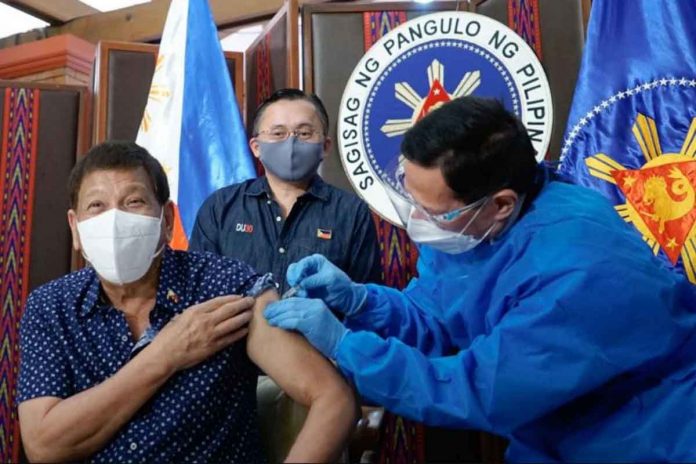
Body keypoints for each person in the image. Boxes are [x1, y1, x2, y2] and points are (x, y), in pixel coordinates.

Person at [264, 96, 696, 461]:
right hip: (551, 434)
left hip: (642, 436)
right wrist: (360, 301)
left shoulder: (577, 273)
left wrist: (345, 346)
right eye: (410, 197)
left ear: (502, 204)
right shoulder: (472, 226)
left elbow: (472, 390)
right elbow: (435, 316)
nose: (419, 221)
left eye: (434, 212)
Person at [17, 141, 357, 463]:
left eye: (134, 202)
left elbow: (332, 399)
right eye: (97, 206)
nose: (115, 220)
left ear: (166, 220)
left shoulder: (225, 286)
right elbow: (44, 445)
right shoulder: (51, 307)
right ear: (75, 228)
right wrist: (165, 355)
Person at [189, 88, 381, 294]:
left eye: (304, 133)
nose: (291, 142)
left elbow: (367, 300)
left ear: (325, 146)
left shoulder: (351, 213)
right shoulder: (220, 207)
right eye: (278, 133)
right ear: (256, 147)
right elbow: (196, 292)